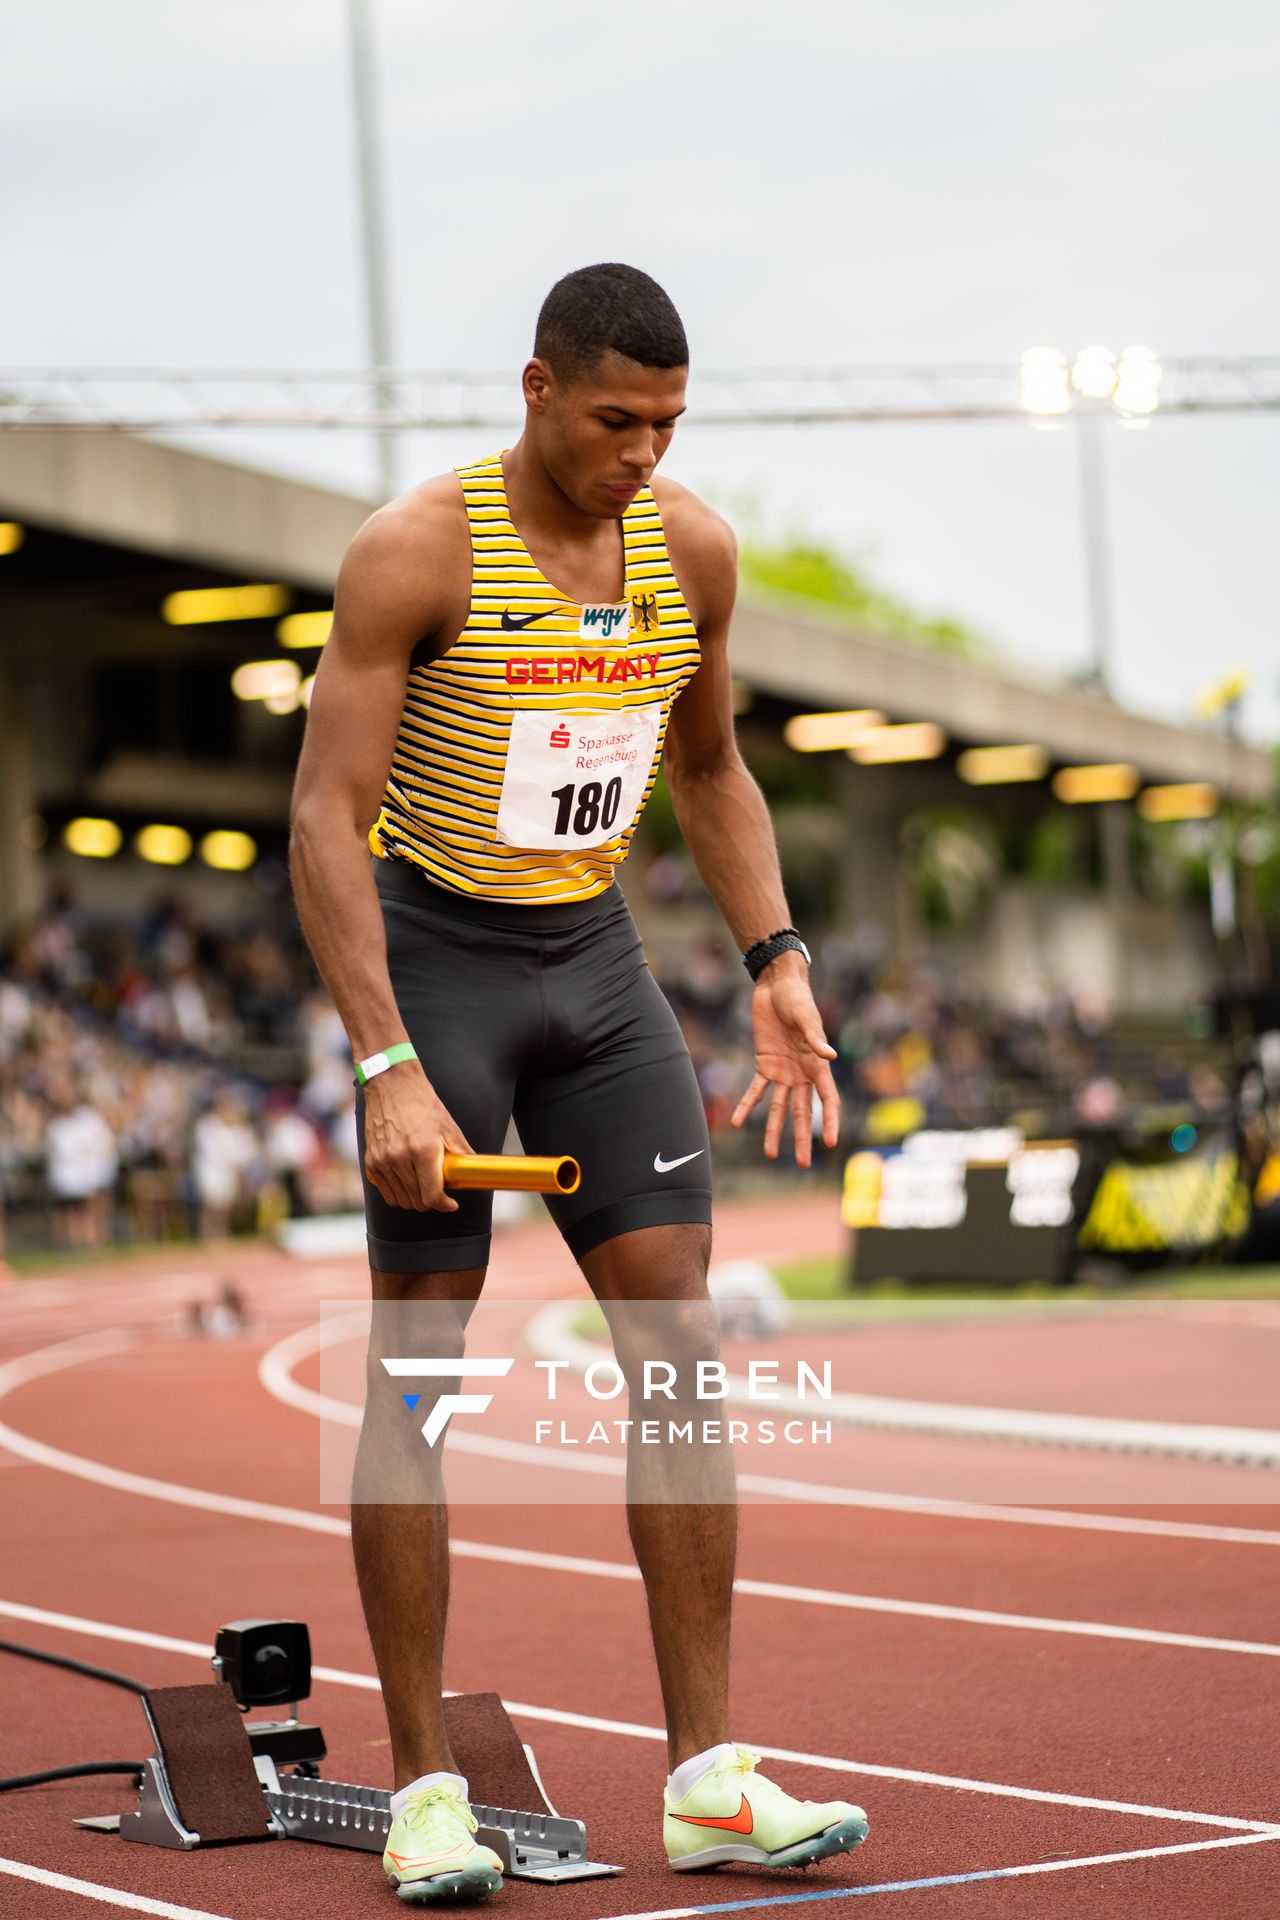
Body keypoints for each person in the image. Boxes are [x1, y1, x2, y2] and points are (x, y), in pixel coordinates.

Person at [290, 262, 868, 1904]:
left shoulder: (690, 547)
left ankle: (704, 1782)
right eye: (618, 419)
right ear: (537, 389)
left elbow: (709, 767)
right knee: (416, 1372)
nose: (644, 452)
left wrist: (776, 961)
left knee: (679, 1357)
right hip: (439, 968)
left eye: (671, 423)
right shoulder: (417, 551)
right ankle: (421, 1796)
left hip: (596, 970)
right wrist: (387, 1063)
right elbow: (325, 820)